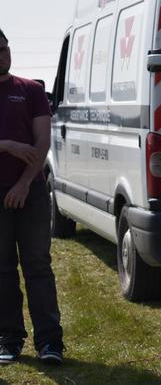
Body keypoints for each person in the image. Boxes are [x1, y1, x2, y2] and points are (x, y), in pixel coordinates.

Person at [0, 28, 64, 365]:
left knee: (38, 265)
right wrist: (7, 145)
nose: (3, 55)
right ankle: (10, 339)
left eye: (5, 48)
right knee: (3, 269)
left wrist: (25, 182)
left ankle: (50, 342)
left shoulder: (30, 90)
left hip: (31, 192)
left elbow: (42, 143)